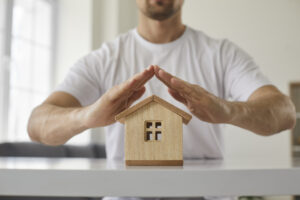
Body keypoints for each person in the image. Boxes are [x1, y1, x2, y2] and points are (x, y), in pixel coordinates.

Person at [27, 0, 296, 199]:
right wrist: (87, 116)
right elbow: (37, 125)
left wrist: (227, 110)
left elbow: (284, 112)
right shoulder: (103, 59)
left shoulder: (221, 54)